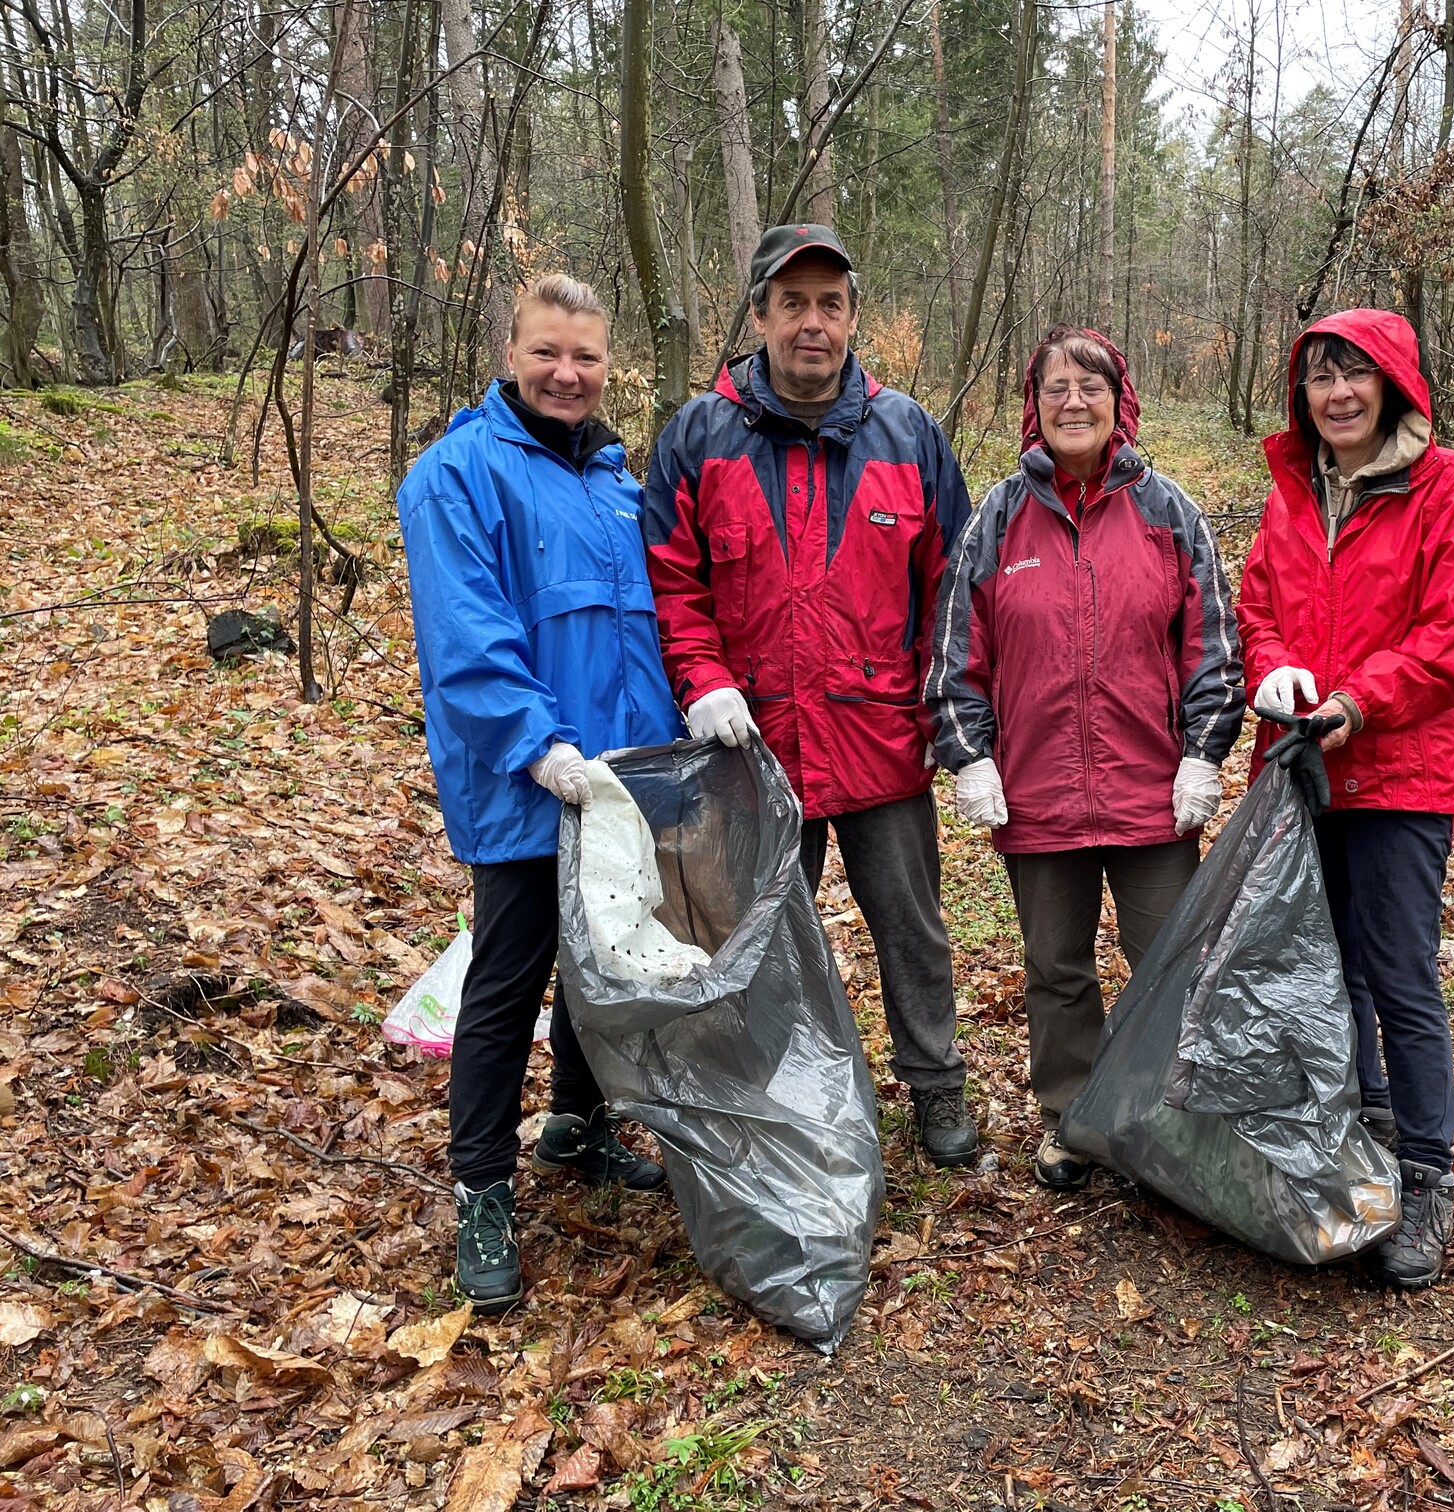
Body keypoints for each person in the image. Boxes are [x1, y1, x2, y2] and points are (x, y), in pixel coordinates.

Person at [640, 224, 980, 1166]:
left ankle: (937, 1089)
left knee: (911, 927)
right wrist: (703, 679)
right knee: (747, 936)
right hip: (750, 745)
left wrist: (942, 714)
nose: (812, 324)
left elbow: (951, 587)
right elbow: (672, 579)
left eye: (830, 304)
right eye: (792, 304)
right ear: (758, 316)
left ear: (854, 317)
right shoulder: (698, 437)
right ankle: (754, 1096)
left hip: (879, 739)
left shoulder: (907, 433)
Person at [397, 273, 682, 1315]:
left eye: (587, 358)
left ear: (609, 367)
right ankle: (481, 1189)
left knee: (602, 969)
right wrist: (539, 747)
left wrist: (664, 752)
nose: (568, 374)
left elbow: (639, 633)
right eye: (547, 353)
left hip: (617, 787)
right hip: (524, 787)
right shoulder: (456, 475)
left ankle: (575, 1124)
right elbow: (467, 639)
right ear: (509, 351)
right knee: (509, 982)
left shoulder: (616, 484)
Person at [928, 327, 1244, 1190]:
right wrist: (969, 757)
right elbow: (956, 652)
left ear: (1119, 400)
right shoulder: (997, 517)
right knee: (1055, 968)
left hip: (1152, 791)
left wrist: (1204, 753)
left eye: (1090, 385)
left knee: (1168, 964)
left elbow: (1213, 643)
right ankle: (1071, 1116)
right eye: (1056, 387)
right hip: (1036, 796)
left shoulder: (1168, 510)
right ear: (1035, 405)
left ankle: (1163, 1116)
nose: (1074, 400)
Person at [1235, 308, 1454, 1289]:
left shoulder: (1451, 491)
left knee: (1398, 970)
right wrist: (1271, 675)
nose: (1338, 393)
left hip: (1400, 773)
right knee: (1326, 961)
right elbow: (1260, 606)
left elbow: (1450, 642)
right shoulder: (1293, 494)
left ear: (1393, 380)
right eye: (1320, 377)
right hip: (1306, 766)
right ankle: (1362, 1122)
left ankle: (1426, 1176)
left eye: (1355, 374)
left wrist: (1357, 700)